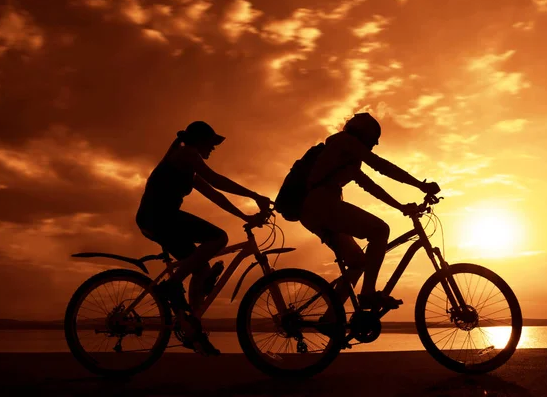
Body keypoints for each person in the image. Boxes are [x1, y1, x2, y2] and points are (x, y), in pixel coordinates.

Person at [135, 120, 271, 355]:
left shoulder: (188, 167)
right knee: (219, 238)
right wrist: (255, 195)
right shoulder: (186, 153)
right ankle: (172, 285)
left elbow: (215, 194)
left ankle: (192, 327)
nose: (214, 148)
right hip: (158, 217)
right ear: (200, 141)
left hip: (159, 220)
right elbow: (217, 180)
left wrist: (245, 215)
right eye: (212, 143)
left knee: (201, 268)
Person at [300, 113, 440, 310]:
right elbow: (381, 166)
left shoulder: (345, 156)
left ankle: (332, 319)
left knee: (358, 263)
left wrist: (400, 207)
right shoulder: (345, 142)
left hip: (315, 210)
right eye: (373, 140)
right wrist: (420, 185)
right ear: (363, 134)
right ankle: (367, 294)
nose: (374, 145)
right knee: (380, 230)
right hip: (322, 205)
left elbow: (371, 186)